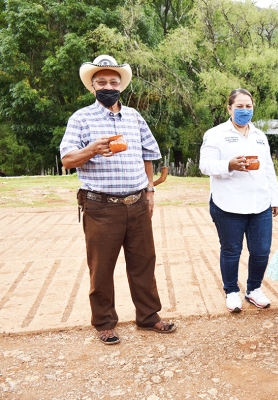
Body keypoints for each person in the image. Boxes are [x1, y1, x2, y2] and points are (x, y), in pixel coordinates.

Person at [60, 55, 176, 345]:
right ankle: (104, 323)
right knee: (101, 268)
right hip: (100, 206)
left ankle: (149, 317)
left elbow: (149, 154)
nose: (108, 86)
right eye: (101, 82)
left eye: (113, 81)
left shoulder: (134, 117)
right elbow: (66, 160)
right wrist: (92, 149)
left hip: (136, 203)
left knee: (144, 262)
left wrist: (150, 191)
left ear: (121, 86)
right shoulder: (81, 118)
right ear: (92, 86)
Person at [200, 88, 278, 313]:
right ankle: (231, 291)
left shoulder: (259, 136)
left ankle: (254, 289)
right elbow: (205, 165)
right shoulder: (215, 134)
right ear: (229, 108)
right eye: (239, 107)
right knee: (231, 250)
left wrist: (275, 198)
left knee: (261, 250)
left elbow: (269, 169)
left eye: (248, 106)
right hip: (228, 204)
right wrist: (229, 165)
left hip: (260, 204)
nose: (245, 111)